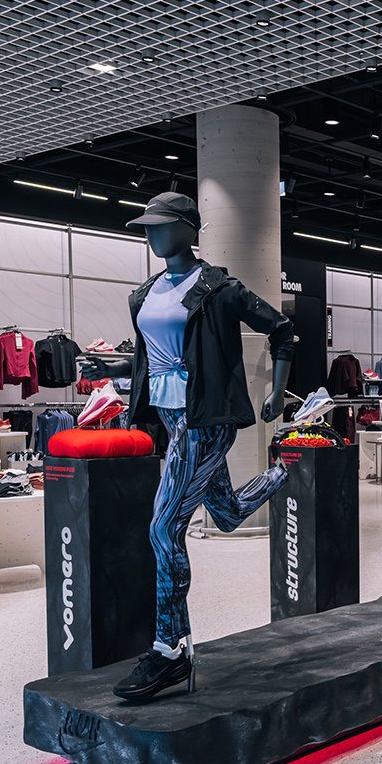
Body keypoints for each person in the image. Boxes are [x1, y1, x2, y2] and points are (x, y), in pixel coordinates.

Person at [101, 193, 295, 703]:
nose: (151, 234)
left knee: (163, 528)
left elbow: (282, 330)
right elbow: (154, 356)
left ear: (189, 229)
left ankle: (170, 650)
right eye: (146, 226)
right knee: (225, 514)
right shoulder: (145, 294)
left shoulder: (219, 289)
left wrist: (277, 391)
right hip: (170, 418)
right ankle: (283, 472)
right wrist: (115, 368)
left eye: (160, 225)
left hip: (204, 420)